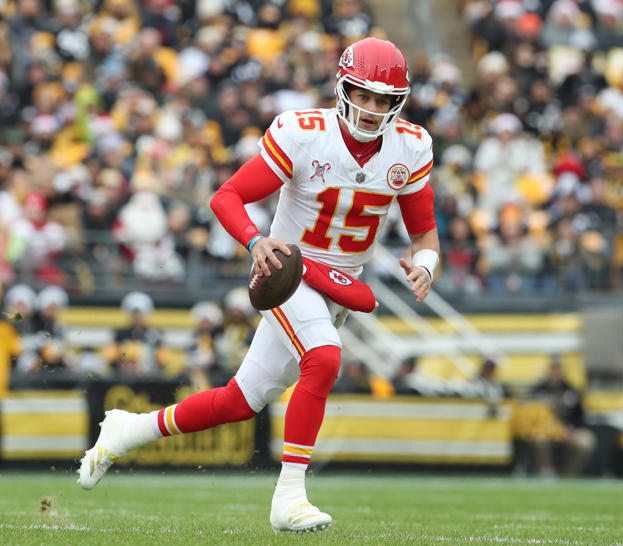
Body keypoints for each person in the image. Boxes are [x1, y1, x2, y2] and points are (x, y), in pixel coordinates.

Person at [77, 37, 440, 533]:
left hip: (338, 285)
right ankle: (289, 496)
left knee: (240, 400)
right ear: (343, 87)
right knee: (325, 357)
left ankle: (129, 429)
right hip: (288, 273)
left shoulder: (410, 145)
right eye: (363, 94)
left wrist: (427, 263)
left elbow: (424, 232)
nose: (372, 109)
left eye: (383, 100)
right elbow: (228, 196)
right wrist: (255, 242)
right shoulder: (303, 132)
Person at [530, 357, 596, 477]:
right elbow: (532, 416)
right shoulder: (539, 391)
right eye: (553, 370)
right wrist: (553, 430)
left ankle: (568, 475)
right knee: (537, 437)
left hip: (568, 431)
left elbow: (580, 416)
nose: (556, 373)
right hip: (546, 431)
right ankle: (546, 472)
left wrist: (572, 430)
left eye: (558, 370)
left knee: (587, 441)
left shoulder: (572, 391)